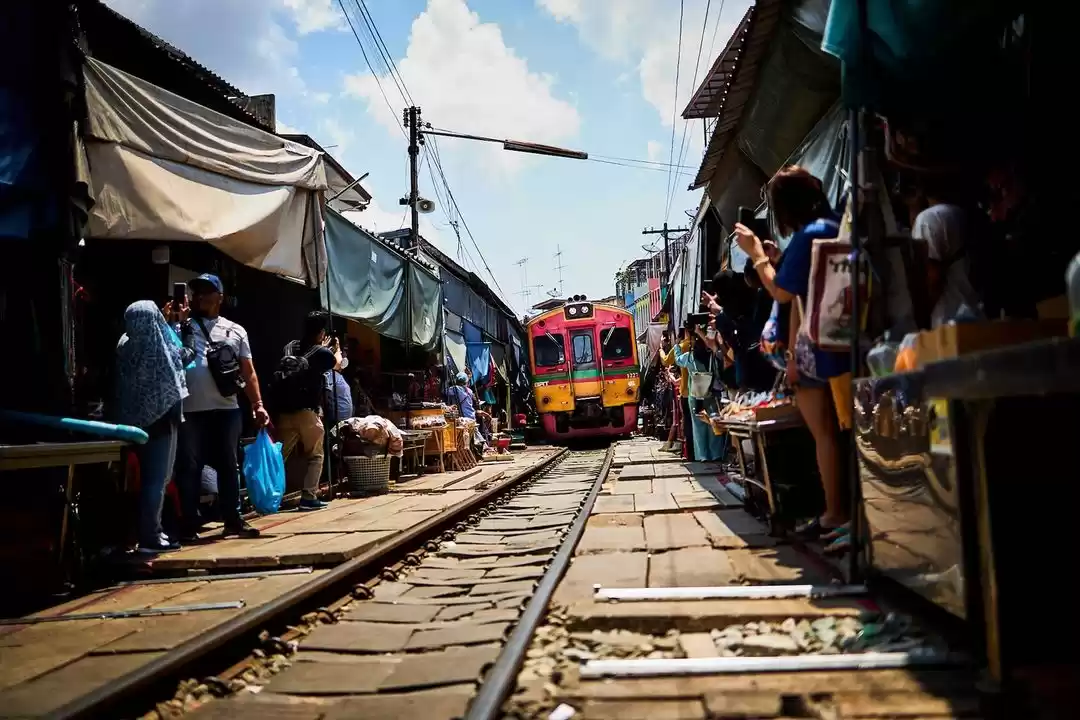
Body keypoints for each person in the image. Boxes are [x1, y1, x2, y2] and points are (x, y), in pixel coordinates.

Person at [735, 166, 850, 549]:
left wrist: (756, 256)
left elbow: (783, 293)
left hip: (819, 349)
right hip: (851, 339)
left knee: (824, 435)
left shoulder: (809, 235)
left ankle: (835, 512)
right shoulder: (839, 224)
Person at [176, 274, 269, 541]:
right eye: (197, 292)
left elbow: (248, 372)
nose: (201, 296)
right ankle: (189, 525)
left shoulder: (236, 330)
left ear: (220, 297)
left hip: (227, 409)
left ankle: (232, 520)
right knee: (189, 466)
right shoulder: (183, 326)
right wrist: (175, 321)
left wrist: (258, 404)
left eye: (207, 291)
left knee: (229, 464)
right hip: (190, 409)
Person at [114, 300, 191, 554]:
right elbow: (185, 356)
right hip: (161, 422)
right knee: (157, 480)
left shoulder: (125, 344)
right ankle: (152, 535)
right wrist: (179, 326)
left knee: (139, 481)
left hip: (130, 424)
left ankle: (136, 534)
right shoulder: (161, 347)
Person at [279, 311, 340, 511]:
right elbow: (337, 364)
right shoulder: (321, 353)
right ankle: (308, 496)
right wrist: (334, 349)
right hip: (307, 413)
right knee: (315, 455)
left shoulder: (290, 346)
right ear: (322, 332)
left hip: (284, 411)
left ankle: (270, 495)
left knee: (279, 457)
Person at [911, 175, 981, 327]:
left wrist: (916, 320)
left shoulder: (928, 219)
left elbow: (932, 277)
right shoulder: (960, 213)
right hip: (973, 314)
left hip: (947, 321)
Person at [674, 335, 727, 462]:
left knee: (698, 427)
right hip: (711, 394)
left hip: (696, 395)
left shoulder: (689, 357)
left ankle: (702, 456)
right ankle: (716, 454)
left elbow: (677, 360)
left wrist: (677, 346)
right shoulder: (711, 357)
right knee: (712, 423)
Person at [663, 323, 695, 461]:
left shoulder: (681, 347)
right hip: (702, 389)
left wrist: (660, 348)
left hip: (686, 391)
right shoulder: (695, 346)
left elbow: (666, 361)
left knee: (688, 423)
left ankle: (692, 453)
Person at [323, 342, 354, 426]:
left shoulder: (337, 375)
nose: (342, 355)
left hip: (344, 421)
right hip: (336, 422)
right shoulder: (329, 375)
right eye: (339, 353)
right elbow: (325, 396)